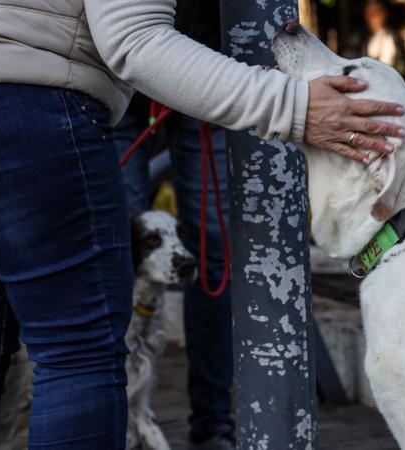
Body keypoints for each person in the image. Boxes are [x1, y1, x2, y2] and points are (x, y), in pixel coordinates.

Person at [0, 1, 405, 449]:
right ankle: (208, 424)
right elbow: (134, 38)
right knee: (77, 353)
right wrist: (295, 106)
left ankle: (209, 422)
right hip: (34, 105)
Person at [113, 2, 236, 449]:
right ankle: (119, 417)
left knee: (212, 253)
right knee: (117, 253)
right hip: (117, 69)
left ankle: (213, 422)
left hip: (203, 69)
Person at [363, 0, 405, 75]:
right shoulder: (360, 40)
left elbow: (402, 64)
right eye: (370, 12)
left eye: (377, 12)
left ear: (385, 13)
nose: (374, 16)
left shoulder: (395, 37)